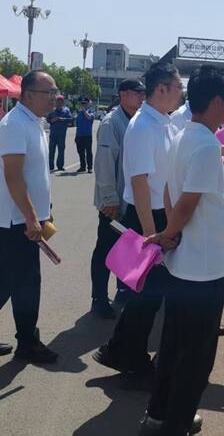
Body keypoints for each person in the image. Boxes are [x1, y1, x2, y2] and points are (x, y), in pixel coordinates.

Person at [138, 65, 224, 436]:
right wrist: (169, 232)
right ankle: (178, 423)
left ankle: (159, 413)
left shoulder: (186, 135)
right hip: (204, 266)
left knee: (173, 344)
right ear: (216, 101)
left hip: (187, 261)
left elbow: (171, 191)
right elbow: (187, 202)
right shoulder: (204, 144)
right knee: (197, 354)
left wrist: (171, 233)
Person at [92, 61, 184, 381]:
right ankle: (129, 359)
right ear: (162, 89)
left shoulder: (163, 122)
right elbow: (140, 182)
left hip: (160, 215)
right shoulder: (143, 126)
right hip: (147, 217)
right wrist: (150, 234)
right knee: (147, 294)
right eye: (178, 87)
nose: (181, 93)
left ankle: (119, 349)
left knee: (149, 294)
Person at [0, 70, 60, 363]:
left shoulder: (33, 122)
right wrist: (31, 217)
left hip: (26, 219)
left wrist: (44, 212)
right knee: (24, 283)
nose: (55, 98)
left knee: (3, 281)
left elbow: (36, 175)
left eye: (55, 93)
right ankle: (26, 342)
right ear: (28, 94)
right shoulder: (15, 125)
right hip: (16, 221)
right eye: (49, 93)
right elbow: (13, 176)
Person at [90, 80, 146, 318]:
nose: (142, 97)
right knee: (105, 249)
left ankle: (122, 289)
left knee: (128, 248)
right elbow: (104, 165)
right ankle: (98, 298)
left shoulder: (136, 120)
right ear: (123, 95)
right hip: (113, 202)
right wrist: (109, 200)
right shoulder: (111, 123)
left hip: (130, 200)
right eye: (137, 93)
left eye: (143, 93)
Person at [47, 95, 72, 172]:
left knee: (61, 150)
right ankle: (50, 166)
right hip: (53, 134)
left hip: (62, 134)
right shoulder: (52, 111)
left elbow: (71, 119)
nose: (59, 103)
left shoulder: (66, 110)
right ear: (56, 102)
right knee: (51, 150)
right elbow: (48, 119)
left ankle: (60, 166)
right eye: (58, 101)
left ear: (63, 102)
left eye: (61, 101)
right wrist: (52, 120)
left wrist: (63, 119)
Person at [75, 97, 95, 173]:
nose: (83, 105)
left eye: (84, 103)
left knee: (88, 152)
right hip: (79, 135)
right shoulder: (79, 113)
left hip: (87, 135)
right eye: (82, 103)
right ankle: (82, 167)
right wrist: (76, 136)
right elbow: (78, 125)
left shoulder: (91, 111)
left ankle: (90, 167)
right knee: (80, 152)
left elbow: (89, 117)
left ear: (88, 104)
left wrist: (84, 111)